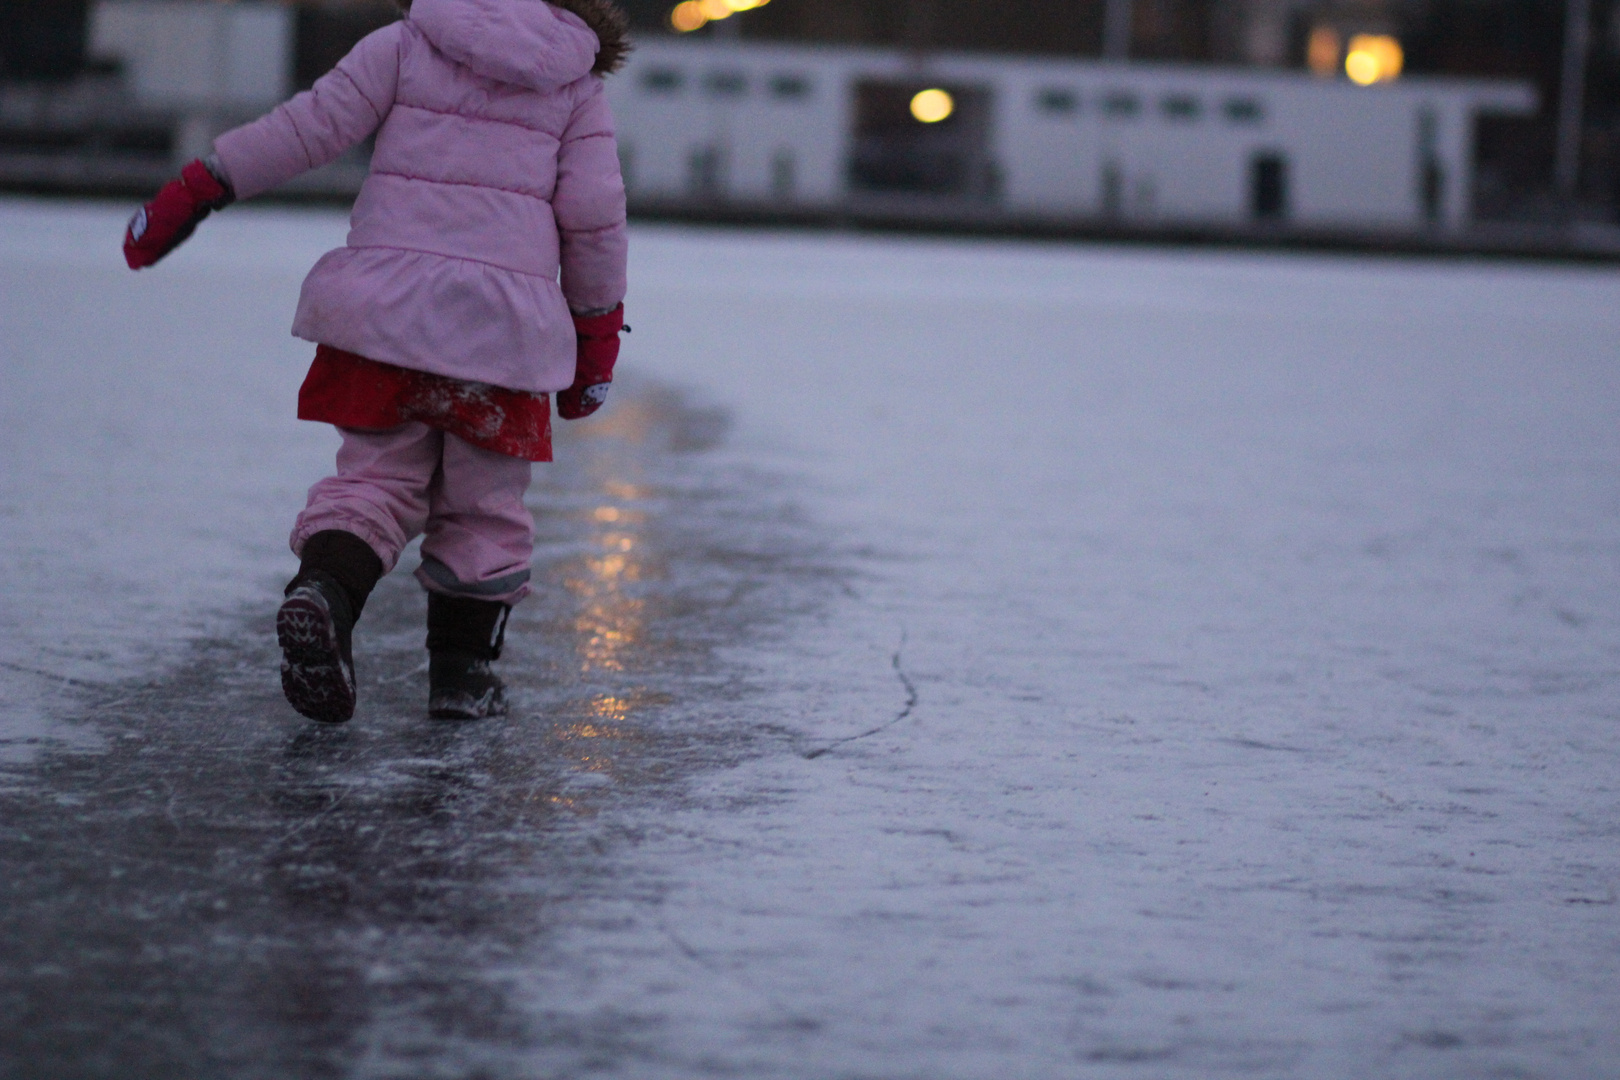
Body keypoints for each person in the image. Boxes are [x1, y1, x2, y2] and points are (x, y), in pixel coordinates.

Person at [122, 0, 631, 723]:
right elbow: (593, 212)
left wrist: (202, 185)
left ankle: (325, 590)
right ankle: (462, 674)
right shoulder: (575, 84)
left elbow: (308, 126)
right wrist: (596, 341)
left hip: (388, 312)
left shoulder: (406, 42)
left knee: (374, 485)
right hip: (499, 335)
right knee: (483, 508)